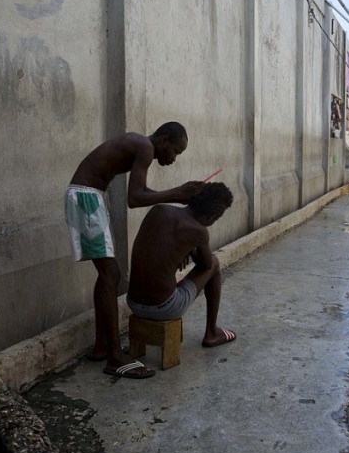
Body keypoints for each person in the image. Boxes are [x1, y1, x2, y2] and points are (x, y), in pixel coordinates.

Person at [65, 122, 204, 379]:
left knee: (107, 276)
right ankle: (116, 358)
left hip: (88, 196)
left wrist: (178, 194)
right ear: (163, 141)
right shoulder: (145, 148)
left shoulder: (141, 146)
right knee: (111, 276)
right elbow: (135, 198)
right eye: (175, 151)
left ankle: (102, 347)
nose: (174, 158)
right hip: (86, 198)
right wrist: (177, 192)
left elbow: (144, 192)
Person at [126, 182, 236, 349]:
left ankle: (212, 331)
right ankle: (212, 332)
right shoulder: (198, 231)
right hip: (164, 308)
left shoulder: (158, 210)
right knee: (215, 263)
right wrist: (191, 249)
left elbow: (160, 246)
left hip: (133, 303)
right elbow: (206, 265)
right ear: (211, 217)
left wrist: (185, 249)